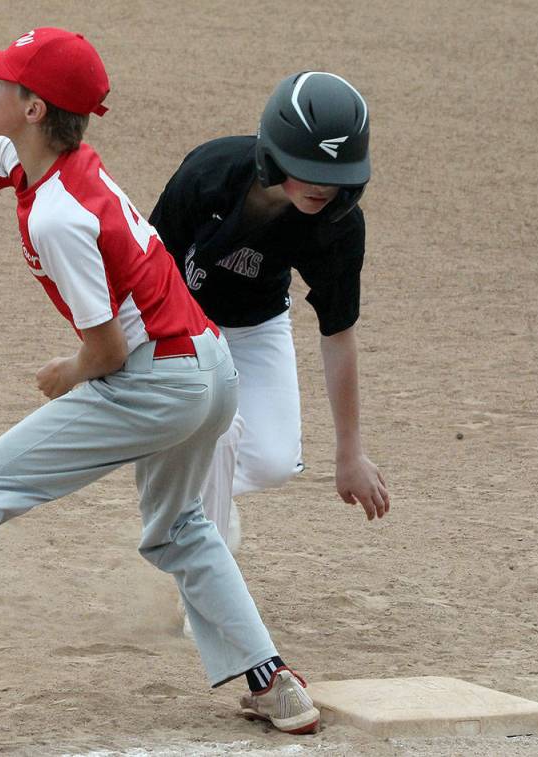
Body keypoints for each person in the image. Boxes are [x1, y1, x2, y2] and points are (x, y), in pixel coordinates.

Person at [0, 29, 321, 755]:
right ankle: (275, 682)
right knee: (177, 526)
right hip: (210, 370)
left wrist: (68, 370)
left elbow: (108, 348)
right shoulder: (50, 162)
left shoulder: (59, 215)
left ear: (33, 107)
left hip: (160, 380)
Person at [149, 72, 391, 618]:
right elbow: (144, 268)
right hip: (180, 320)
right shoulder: (209, 174)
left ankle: (187, 503)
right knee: (219, 433)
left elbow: (338, 333)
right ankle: (205, 593)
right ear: (271, 155)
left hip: (257, 324)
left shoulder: (339, 226)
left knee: (274, 461)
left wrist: (350, 450)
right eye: (307, 169)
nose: (321, 187)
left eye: (336, 175)